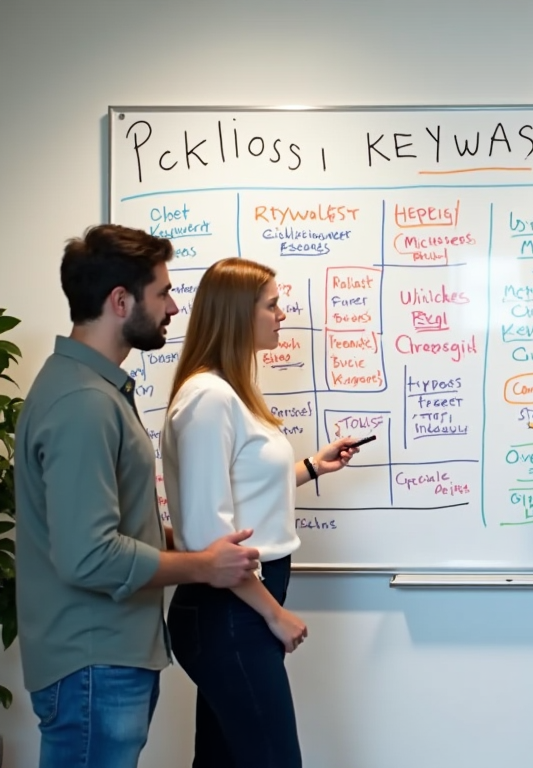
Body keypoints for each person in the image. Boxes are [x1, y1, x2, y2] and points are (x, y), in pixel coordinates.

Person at [15, 225, 262, 768]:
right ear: (120, 301)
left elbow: (100, 527)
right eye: (163, 293)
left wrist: (178, 540)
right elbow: (89, 554)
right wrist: (201, 566)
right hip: (93, 664)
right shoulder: (83, 403)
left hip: (101, 660)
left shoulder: (90, 389)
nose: (174, 307)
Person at [162, 257, 361, 768]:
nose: (282, 314)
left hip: (237, 606)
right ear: (236, 314)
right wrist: (273, 613)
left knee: (224, 759)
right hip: (230, 609)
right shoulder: (209, 398)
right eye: (272, 304)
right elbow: (211, 537)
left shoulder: (229, 393)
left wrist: (314, 467)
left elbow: (243, 484)